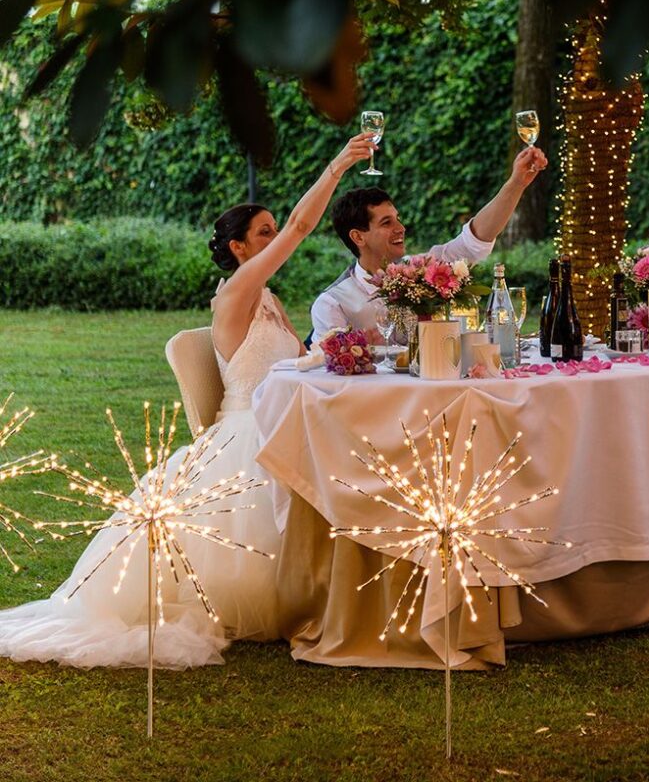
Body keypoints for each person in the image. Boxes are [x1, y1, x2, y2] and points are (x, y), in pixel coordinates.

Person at [0, 133, 374, 669]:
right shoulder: (237, 292)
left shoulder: (268, 298)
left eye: (274, 230)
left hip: (283, 418)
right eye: (264, 232)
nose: (277, 238)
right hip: (248, 432)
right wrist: (337, 166)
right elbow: (300, 226)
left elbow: (298, 359)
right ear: (240, 249)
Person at [309, 145, 548, 343]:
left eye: (398, 219)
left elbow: (475, 240)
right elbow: (331, 367)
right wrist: (364, 348)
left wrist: (516, 183)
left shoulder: (423, 269)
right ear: (358, 237)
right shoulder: (332, 303)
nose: (401, 228)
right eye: (386, 223)